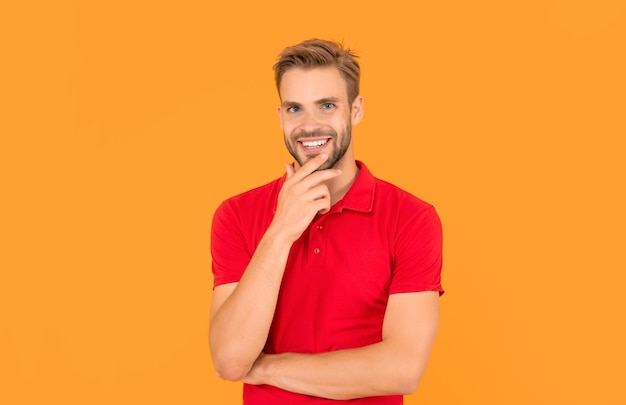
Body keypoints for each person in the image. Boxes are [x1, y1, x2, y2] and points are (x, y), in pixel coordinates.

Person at [209, 39, 443, 404]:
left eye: (327, 105)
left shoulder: (411, 218)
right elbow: (229, 357)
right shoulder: (237, 215)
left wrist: (264, 369)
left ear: (356, 109)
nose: (310, 125)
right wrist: (281, 230)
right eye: (295, 109)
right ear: (280, 115)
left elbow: (402, 368)